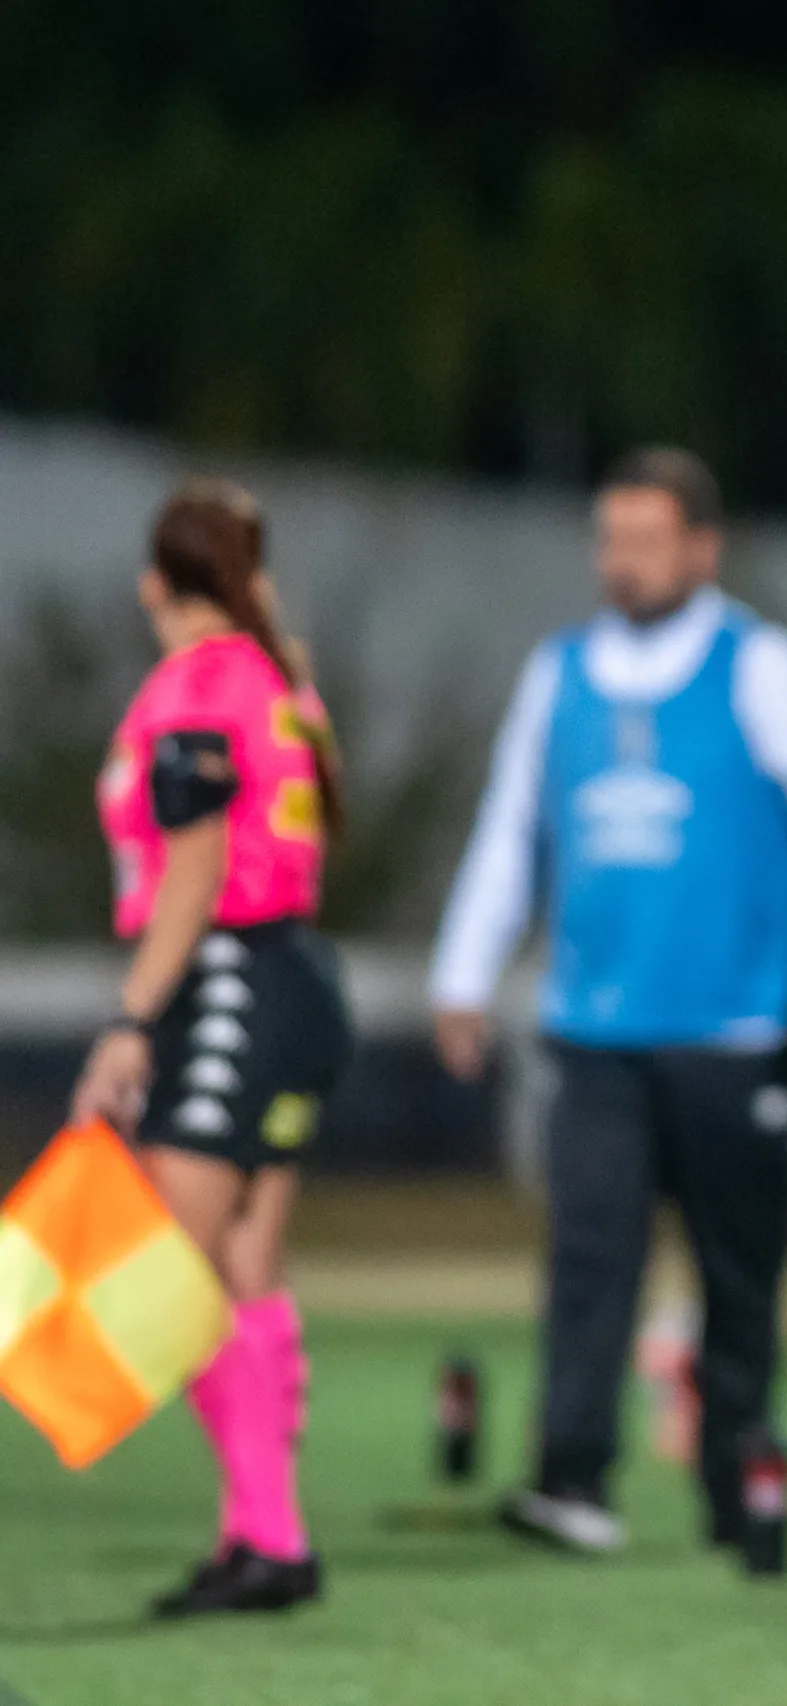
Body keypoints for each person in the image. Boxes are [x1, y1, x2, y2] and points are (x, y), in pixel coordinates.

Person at [429, 447, 787, 1555]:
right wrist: (463, 975)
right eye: (611, 541)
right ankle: (572, 1480)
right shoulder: (560, 674)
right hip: (592, 1028)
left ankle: (740, 1489)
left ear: (701, 547)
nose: (624, 563)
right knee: (590, 1257)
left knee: (740, 1272)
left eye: (647, 542)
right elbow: (510, 830)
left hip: (731, 1032)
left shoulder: (757, 665)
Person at [73, 478, 353, 1616]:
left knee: (156, 1265)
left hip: (230, 981)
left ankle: (269, 1533)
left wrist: (132, 1021)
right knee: (239, 1269)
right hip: (290, 977)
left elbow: (193, 870)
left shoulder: (196, 686)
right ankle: (265, 1539)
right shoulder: (284, 678)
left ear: (155, 584)